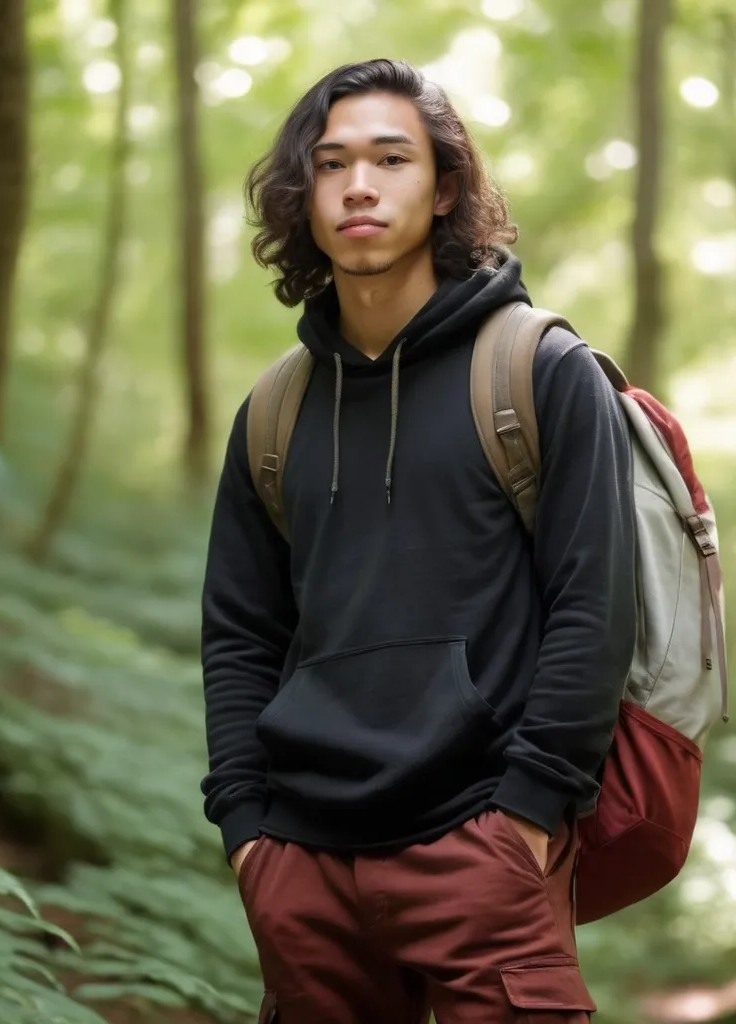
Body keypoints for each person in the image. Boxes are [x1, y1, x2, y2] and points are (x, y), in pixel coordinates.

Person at [200, 58, 637, 1023]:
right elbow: (239, 634)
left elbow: (593, 606)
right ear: (302, 195)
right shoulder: (275, 410)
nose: (359, 184)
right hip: (303, 871)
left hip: (483, 850)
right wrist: (247, 831)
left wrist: (529, 808)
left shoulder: (540, 370)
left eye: (391, 159)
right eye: (331, 163)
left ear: (444, 189)